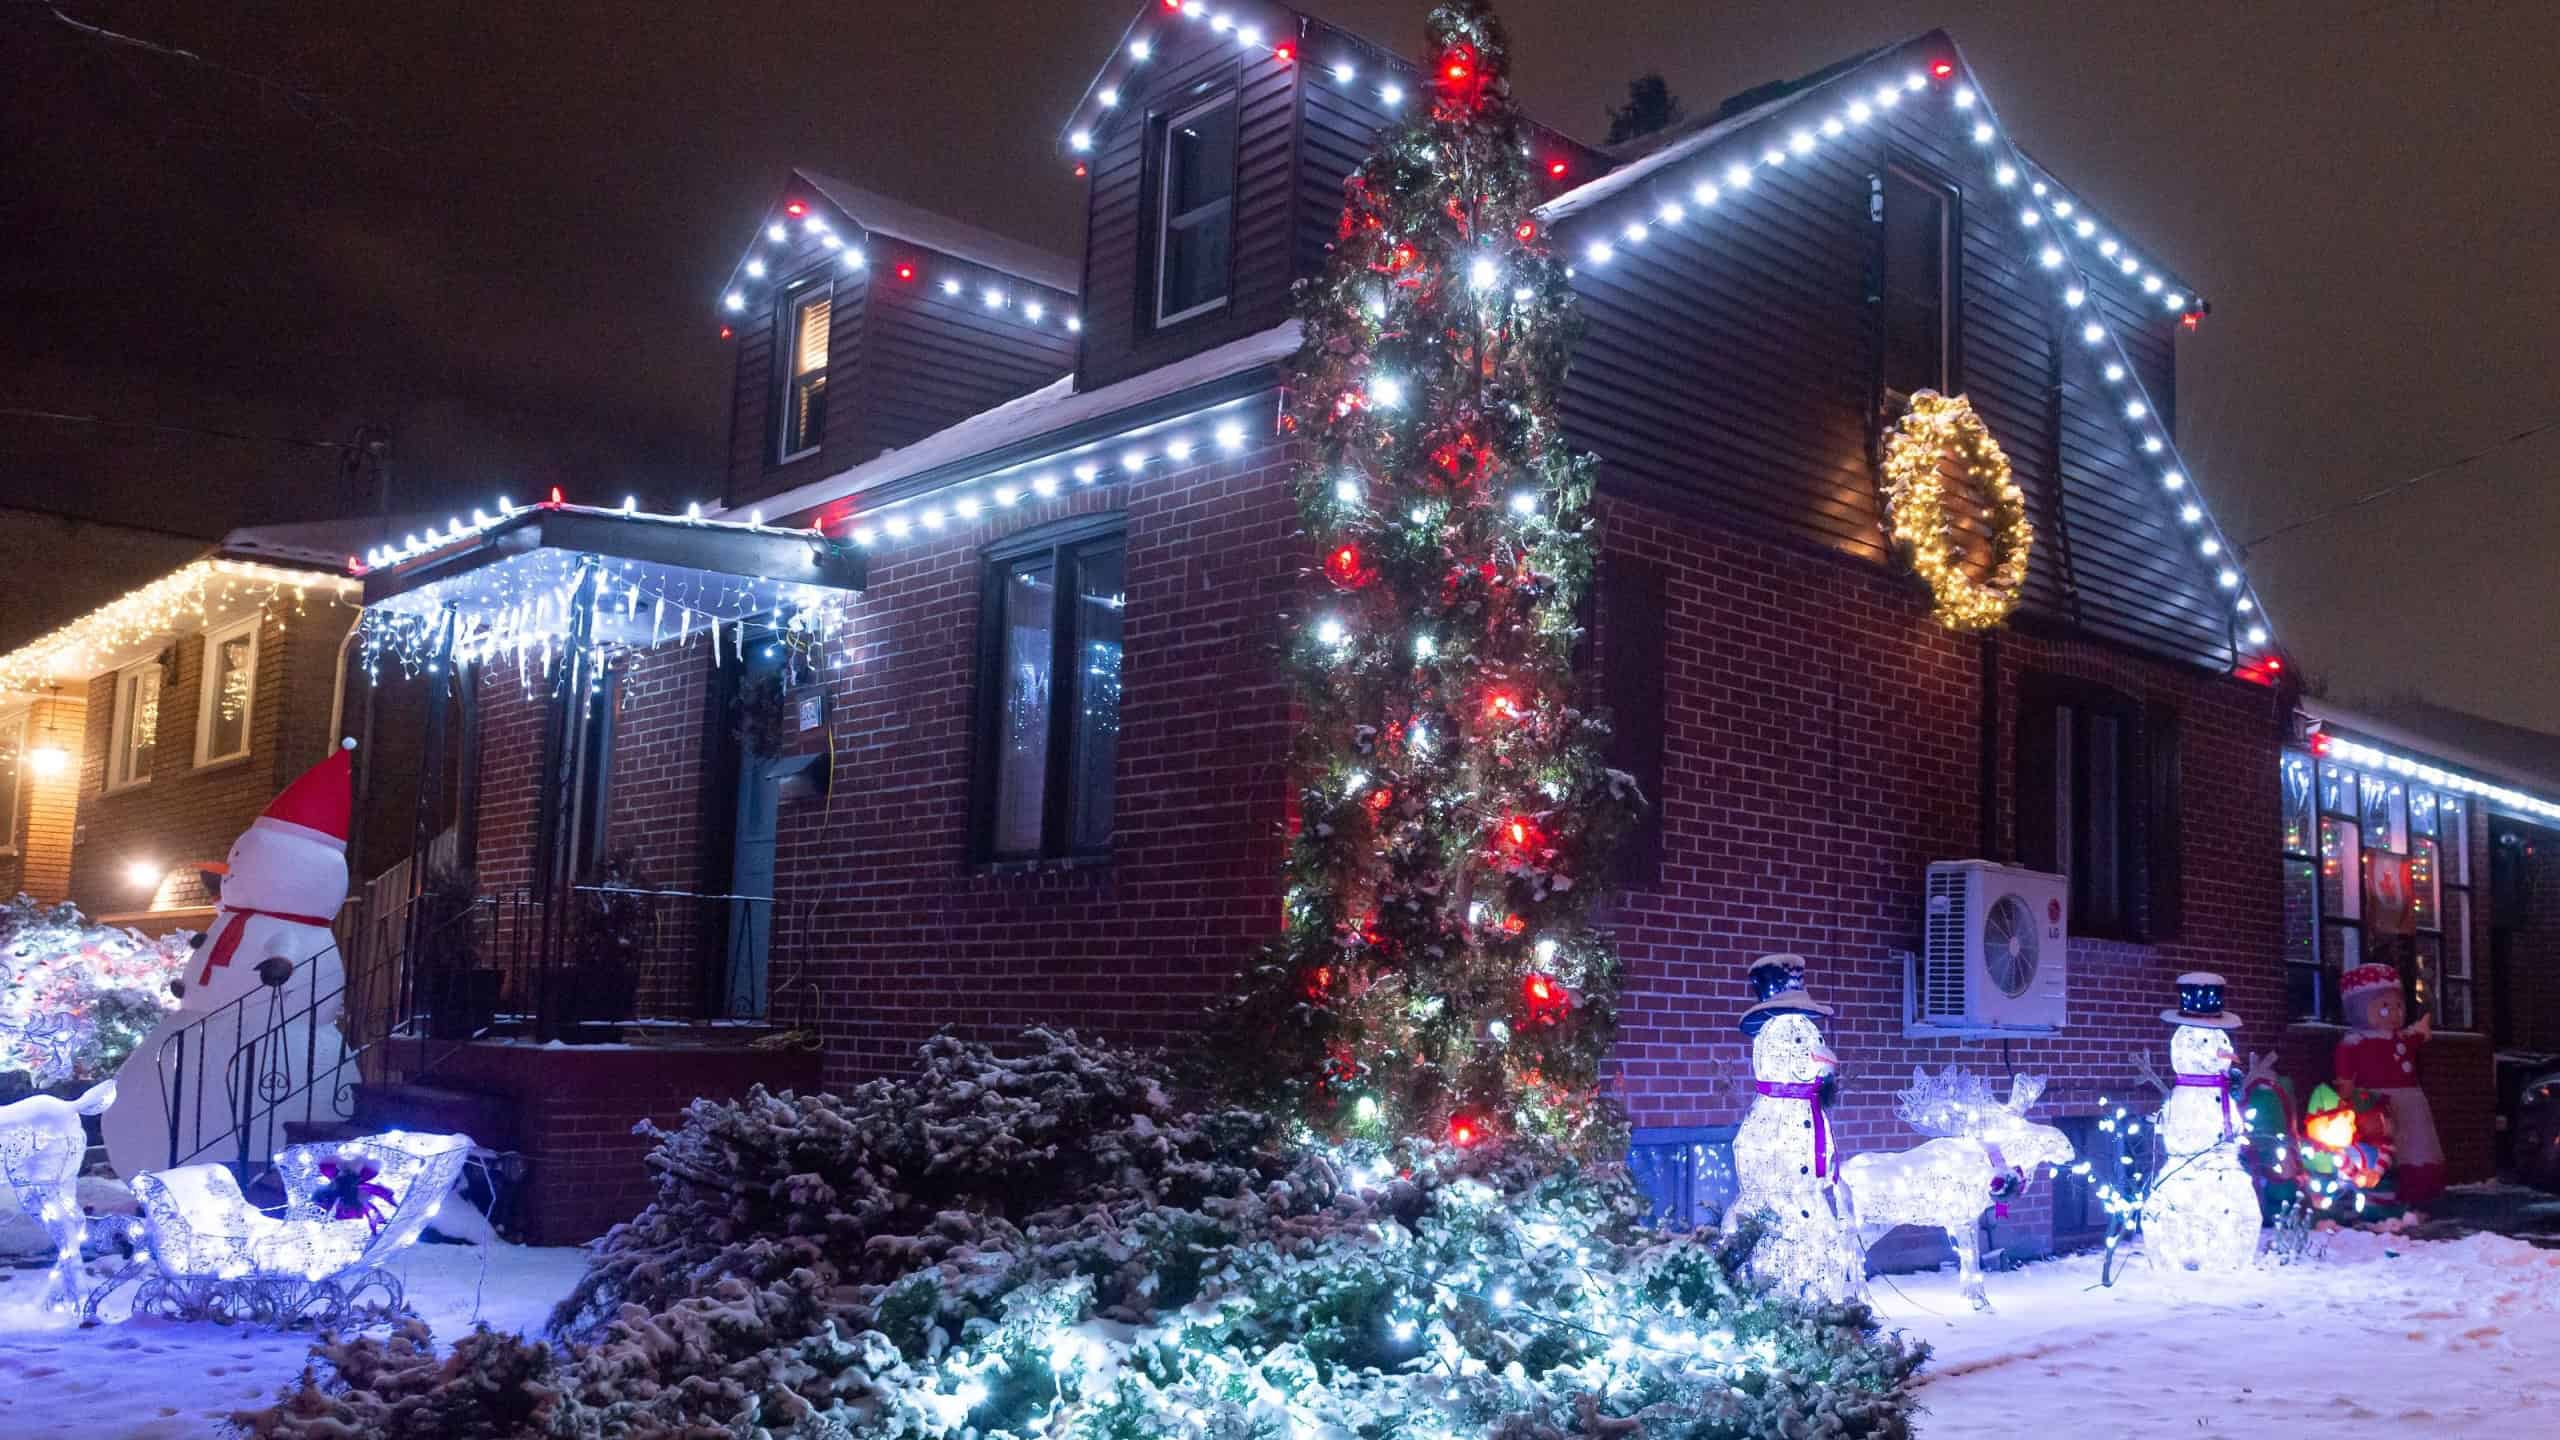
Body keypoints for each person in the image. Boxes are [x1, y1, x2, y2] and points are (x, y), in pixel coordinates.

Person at [2334, 962, 2444, 1208]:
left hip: (2411, 1101)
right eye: (2385, 1007)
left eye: (2398, 1005)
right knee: (2382, 1143)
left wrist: (2421, 1029)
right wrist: (2347, 1094)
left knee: (2416, 1141)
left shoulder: (2400, 1037)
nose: (2395, 1013)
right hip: (2375, 1102)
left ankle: (2419, 1184)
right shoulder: (2356, 1042)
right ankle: (2382, 1186)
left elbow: (2413, 1038)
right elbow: (2345, 1073)